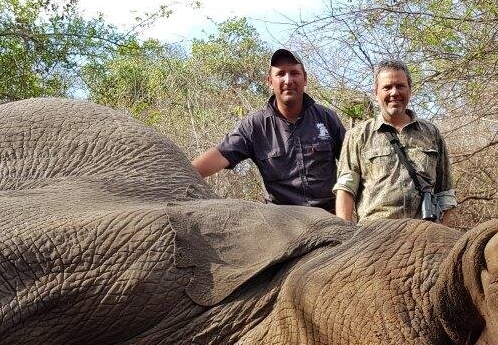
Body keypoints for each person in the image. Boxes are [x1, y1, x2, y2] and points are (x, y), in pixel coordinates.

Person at [192, 48, 346, 213]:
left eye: (294, 73)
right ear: (270, 81)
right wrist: (176, 175)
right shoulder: (255, 125)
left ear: (305, 79)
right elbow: (221, 155)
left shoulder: (327, 118)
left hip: (329, 217)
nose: (288, 80)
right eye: (280, 74)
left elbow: (353, 167)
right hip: (282, 223)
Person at [333, 59, 456, 224]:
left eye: (400, 86)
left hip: (424, 234)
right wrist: (344, 236)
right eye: (387, 87)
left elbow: (445, 192)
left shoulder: (431, 133)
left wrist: (441, 233)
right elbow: (346, 190)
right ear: (376, 93)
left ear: (410, 90)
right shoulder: (358, 135)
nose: (394, 93)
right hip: (374, 235)